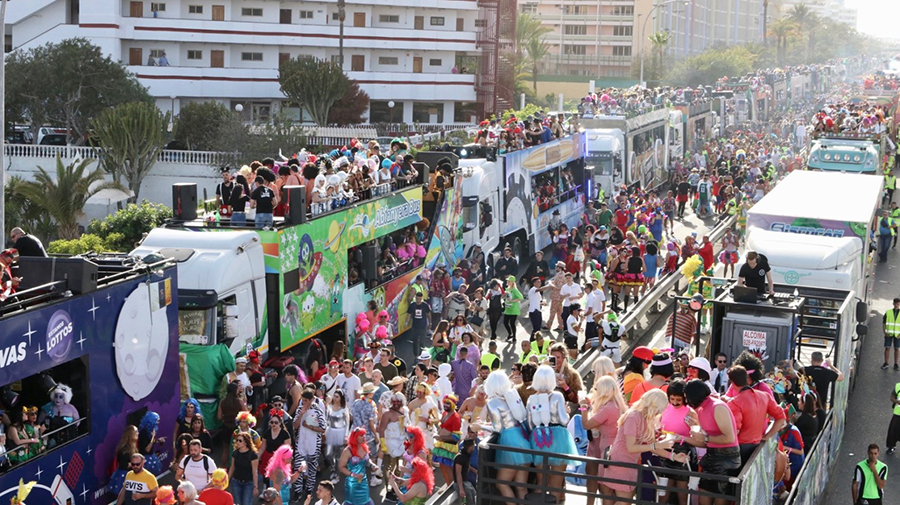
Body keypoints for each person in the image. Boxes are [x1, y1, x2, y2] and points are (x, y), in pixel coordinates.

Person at [602, 389, 687, 503]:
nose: (660, 412)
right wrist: (657, 445)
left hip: (629, 463)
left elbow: (653, 447)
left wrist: (673, 456)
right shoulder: (633, 416)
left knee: (625, 500)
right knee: (625, 500)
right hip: (621, 461)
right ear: (654, 405)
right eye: (660, 409)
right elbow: (632, 447)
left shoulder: (644, 418)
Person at [684, 379, 741, 505]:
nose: (686, 401)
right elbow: (707, 442)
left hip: (727, 459)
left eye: (687, 398)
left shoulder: (717, 407)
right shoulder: (701, 409)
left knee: (720, 497)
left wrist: (705, 438)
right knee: (703, 496)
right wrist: (682, 438)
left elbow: (729, 438)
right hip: (711, 457)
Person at [527, 365, 578, 500]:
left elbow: (530, 423)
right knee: (556, 483)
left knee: (540, 481)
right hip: (558, 438)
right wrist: (567, 412)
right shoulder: (557, 396)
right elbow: (563, 420)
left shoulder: (531, 398)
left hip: (538, 438)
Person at [724, 366, 786, 466]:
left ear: (732, 382)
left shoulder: (734, 403)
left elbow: (734, 432)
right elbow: (781, 417)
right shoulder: (764, 396)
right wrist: (767, 436)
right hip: (757, 446)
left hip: (739, 449)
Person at [484, 371, 530, 502]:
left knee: (501, 483)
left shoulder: (492, 402)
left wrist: (480, 427)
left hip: (510, 443)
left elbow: (497, 428)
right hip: (523, 438)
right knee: (521, 486)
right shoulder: (510, 397)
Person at [580, 375, 626, 505]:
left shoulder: (607, 408)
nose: (594, 391)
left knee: (606, 489)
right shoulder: (618, 405)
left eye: (596, 388)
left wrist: (583, 408)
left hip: (607, 449)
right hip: (616, 447)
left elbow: (586, 425)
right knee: (611, 488)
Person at [340, 428, 379, 505]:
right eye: (361, 435)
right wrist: (353, 475)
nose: (364, 437)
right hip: (352, 483)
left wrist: (372, 465)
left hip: (363, 481)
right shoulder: (347, 451)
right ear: (355, 437)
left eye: (364, 435)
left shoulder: (364, 447)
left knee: (365, 501)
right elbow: (341, 467)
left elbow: (367, 460)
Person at [228, 432, 259, 504]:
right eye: (237, 440)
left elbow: (254, 472)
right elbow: (232, 467)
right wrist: (227, 480)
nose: (238, 442)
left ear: (246, 442)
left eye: (240, 441)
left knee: (246, 503)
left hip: (248, 483)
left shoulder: (253, 455)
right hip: (236, 482)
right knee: (237, 503)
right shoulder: (235, 453)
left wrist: (255, 487)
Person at [453, 439, 477, 504]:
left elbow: (467, 466)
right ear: (470, 447)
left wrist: (475, 471)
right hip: (462, 484)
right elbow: (458, 473)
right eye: (473, 446)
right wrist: (461, 489)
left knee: (475, 498)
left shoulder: (467, 455)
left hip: (466, 482)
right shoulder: (460, 457)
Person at [884, 298, 900, 371]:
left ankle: (896, 364)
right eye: (895, 303)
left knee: (897, 349)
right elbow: (884, 323)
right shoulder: (888, 312)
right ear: (893, 304)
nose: (896, 305)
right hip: (889, 334)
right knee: (887, 348)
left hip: (898, 334)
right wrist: (885, 332)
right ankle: (886, 363)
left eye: (898, 304)